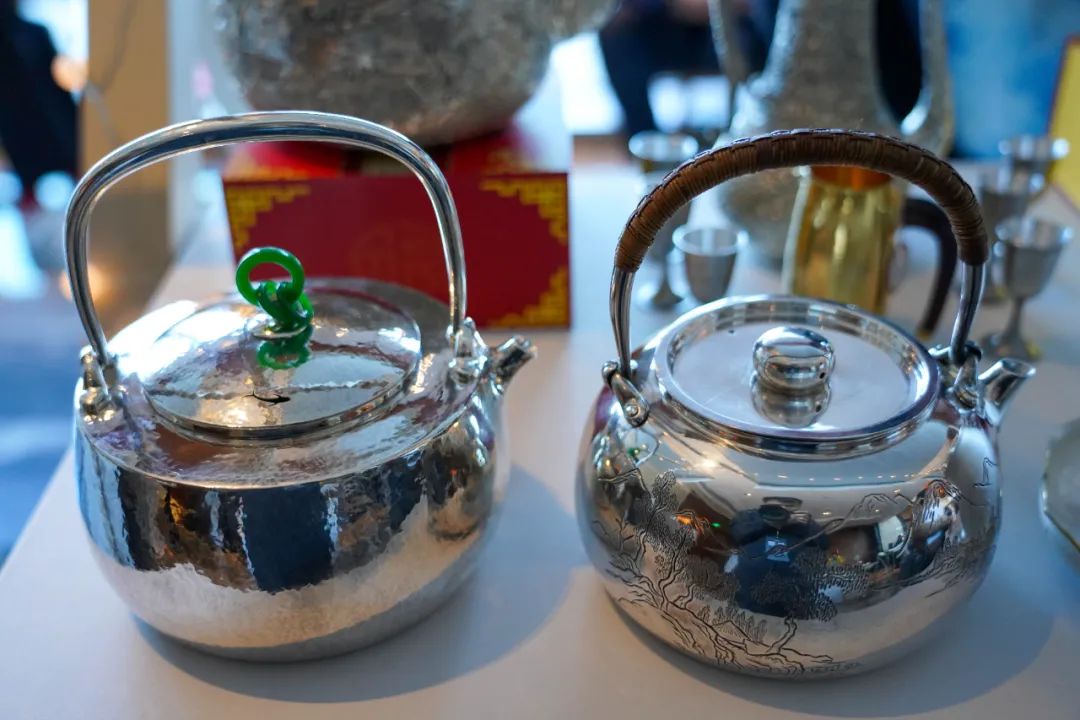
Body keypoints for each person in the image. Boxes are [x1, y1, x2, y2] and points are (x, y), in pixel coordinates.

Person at [0, 0, 77, 209]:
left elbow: (60, 93)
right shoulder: (32, 34)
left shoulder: (34, 34)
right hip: (25, 142)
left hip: (53, 134)